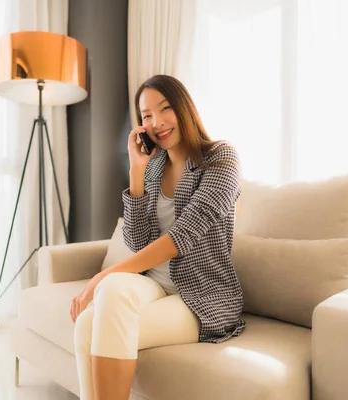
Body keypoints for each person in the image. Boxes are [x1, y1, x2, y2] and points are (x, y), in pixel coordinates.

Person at [70, 74, 245, 400]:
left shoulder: (221, 159)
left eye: (165, 109)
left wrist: (100, 275)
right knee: (96, 312)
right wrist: (136, 171)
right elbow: (139, 241)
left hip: (201, 297)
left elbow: (181, 237)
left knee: (96, 311)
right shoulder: (154, 167)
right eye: (146, 115)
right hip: (155, 285)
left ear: (184, 108)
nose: (157, 122)